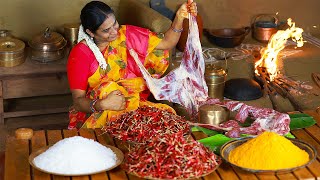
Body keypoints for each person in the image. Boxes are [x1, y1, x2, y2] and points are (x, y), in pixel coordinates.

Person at [67, 0, 197, 129]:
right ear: (90, 32)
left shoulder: (126, 34)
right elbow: (78, 102)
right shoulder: (80, 54)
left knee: (168, 119)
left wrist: (179, 17)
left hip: (131, 104)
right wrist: (102, 104)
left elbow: (167, 43)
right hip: (95, 113)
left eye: (115, 24)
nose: (114, 32)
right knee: (108, 88)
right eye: (106, 30)